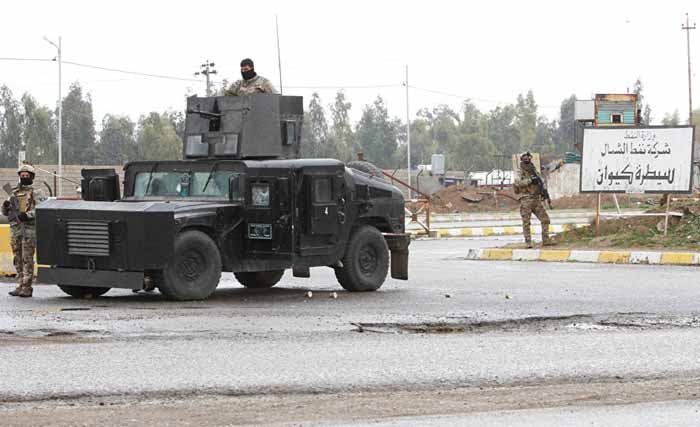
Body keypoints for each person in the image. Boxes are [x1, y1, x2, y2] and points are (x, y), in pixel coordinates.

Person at [2, 164, 47, 297]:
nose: (24, 177)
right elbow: (5, 212)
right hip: (16, 230)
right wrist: (5, 207)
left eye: (27, 175)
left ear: (32, 177)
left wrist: (27, 215)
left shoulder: (37, 192)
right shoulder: (13, 193)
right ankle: (20, 284)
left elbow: (40, 209)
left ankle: (27, 287)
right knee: (17, 259)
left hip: (29, 230)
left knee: (27, 259)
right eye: (22, 175)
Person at [513, 152, 553, 248]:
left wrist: (544, 193)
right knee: (526, 222)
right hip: (526, 199)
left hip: (536, 199)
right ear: (522, 159)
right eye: (525, 157)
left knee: (545, 220)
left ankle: (546, 240)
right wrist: (530, 180)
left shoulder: (534, 170)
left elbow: (541, 182)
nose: (527, 158)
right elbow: (517, 182)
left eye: (528, 157)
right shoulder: (520, 171)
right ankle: (528, 242)